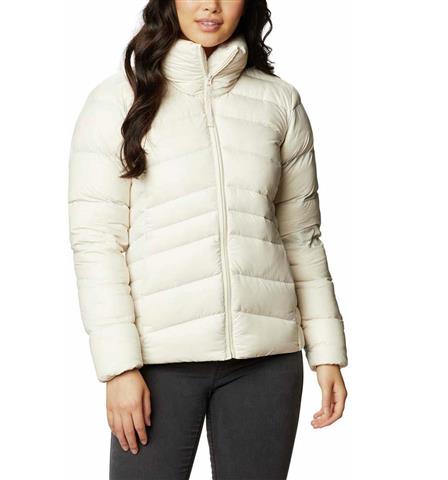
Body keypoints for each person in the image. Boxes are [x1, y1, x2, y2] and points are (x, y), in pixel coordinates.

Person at [68, 1, 349, 478]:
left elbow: (301, 236)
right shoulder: (116, 101)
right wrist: (119, 367)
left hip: (266, 361)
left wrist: (326, 353)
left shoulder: (279, 102)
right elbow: (98, 243)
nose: (210, 5)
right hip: (157, 363)